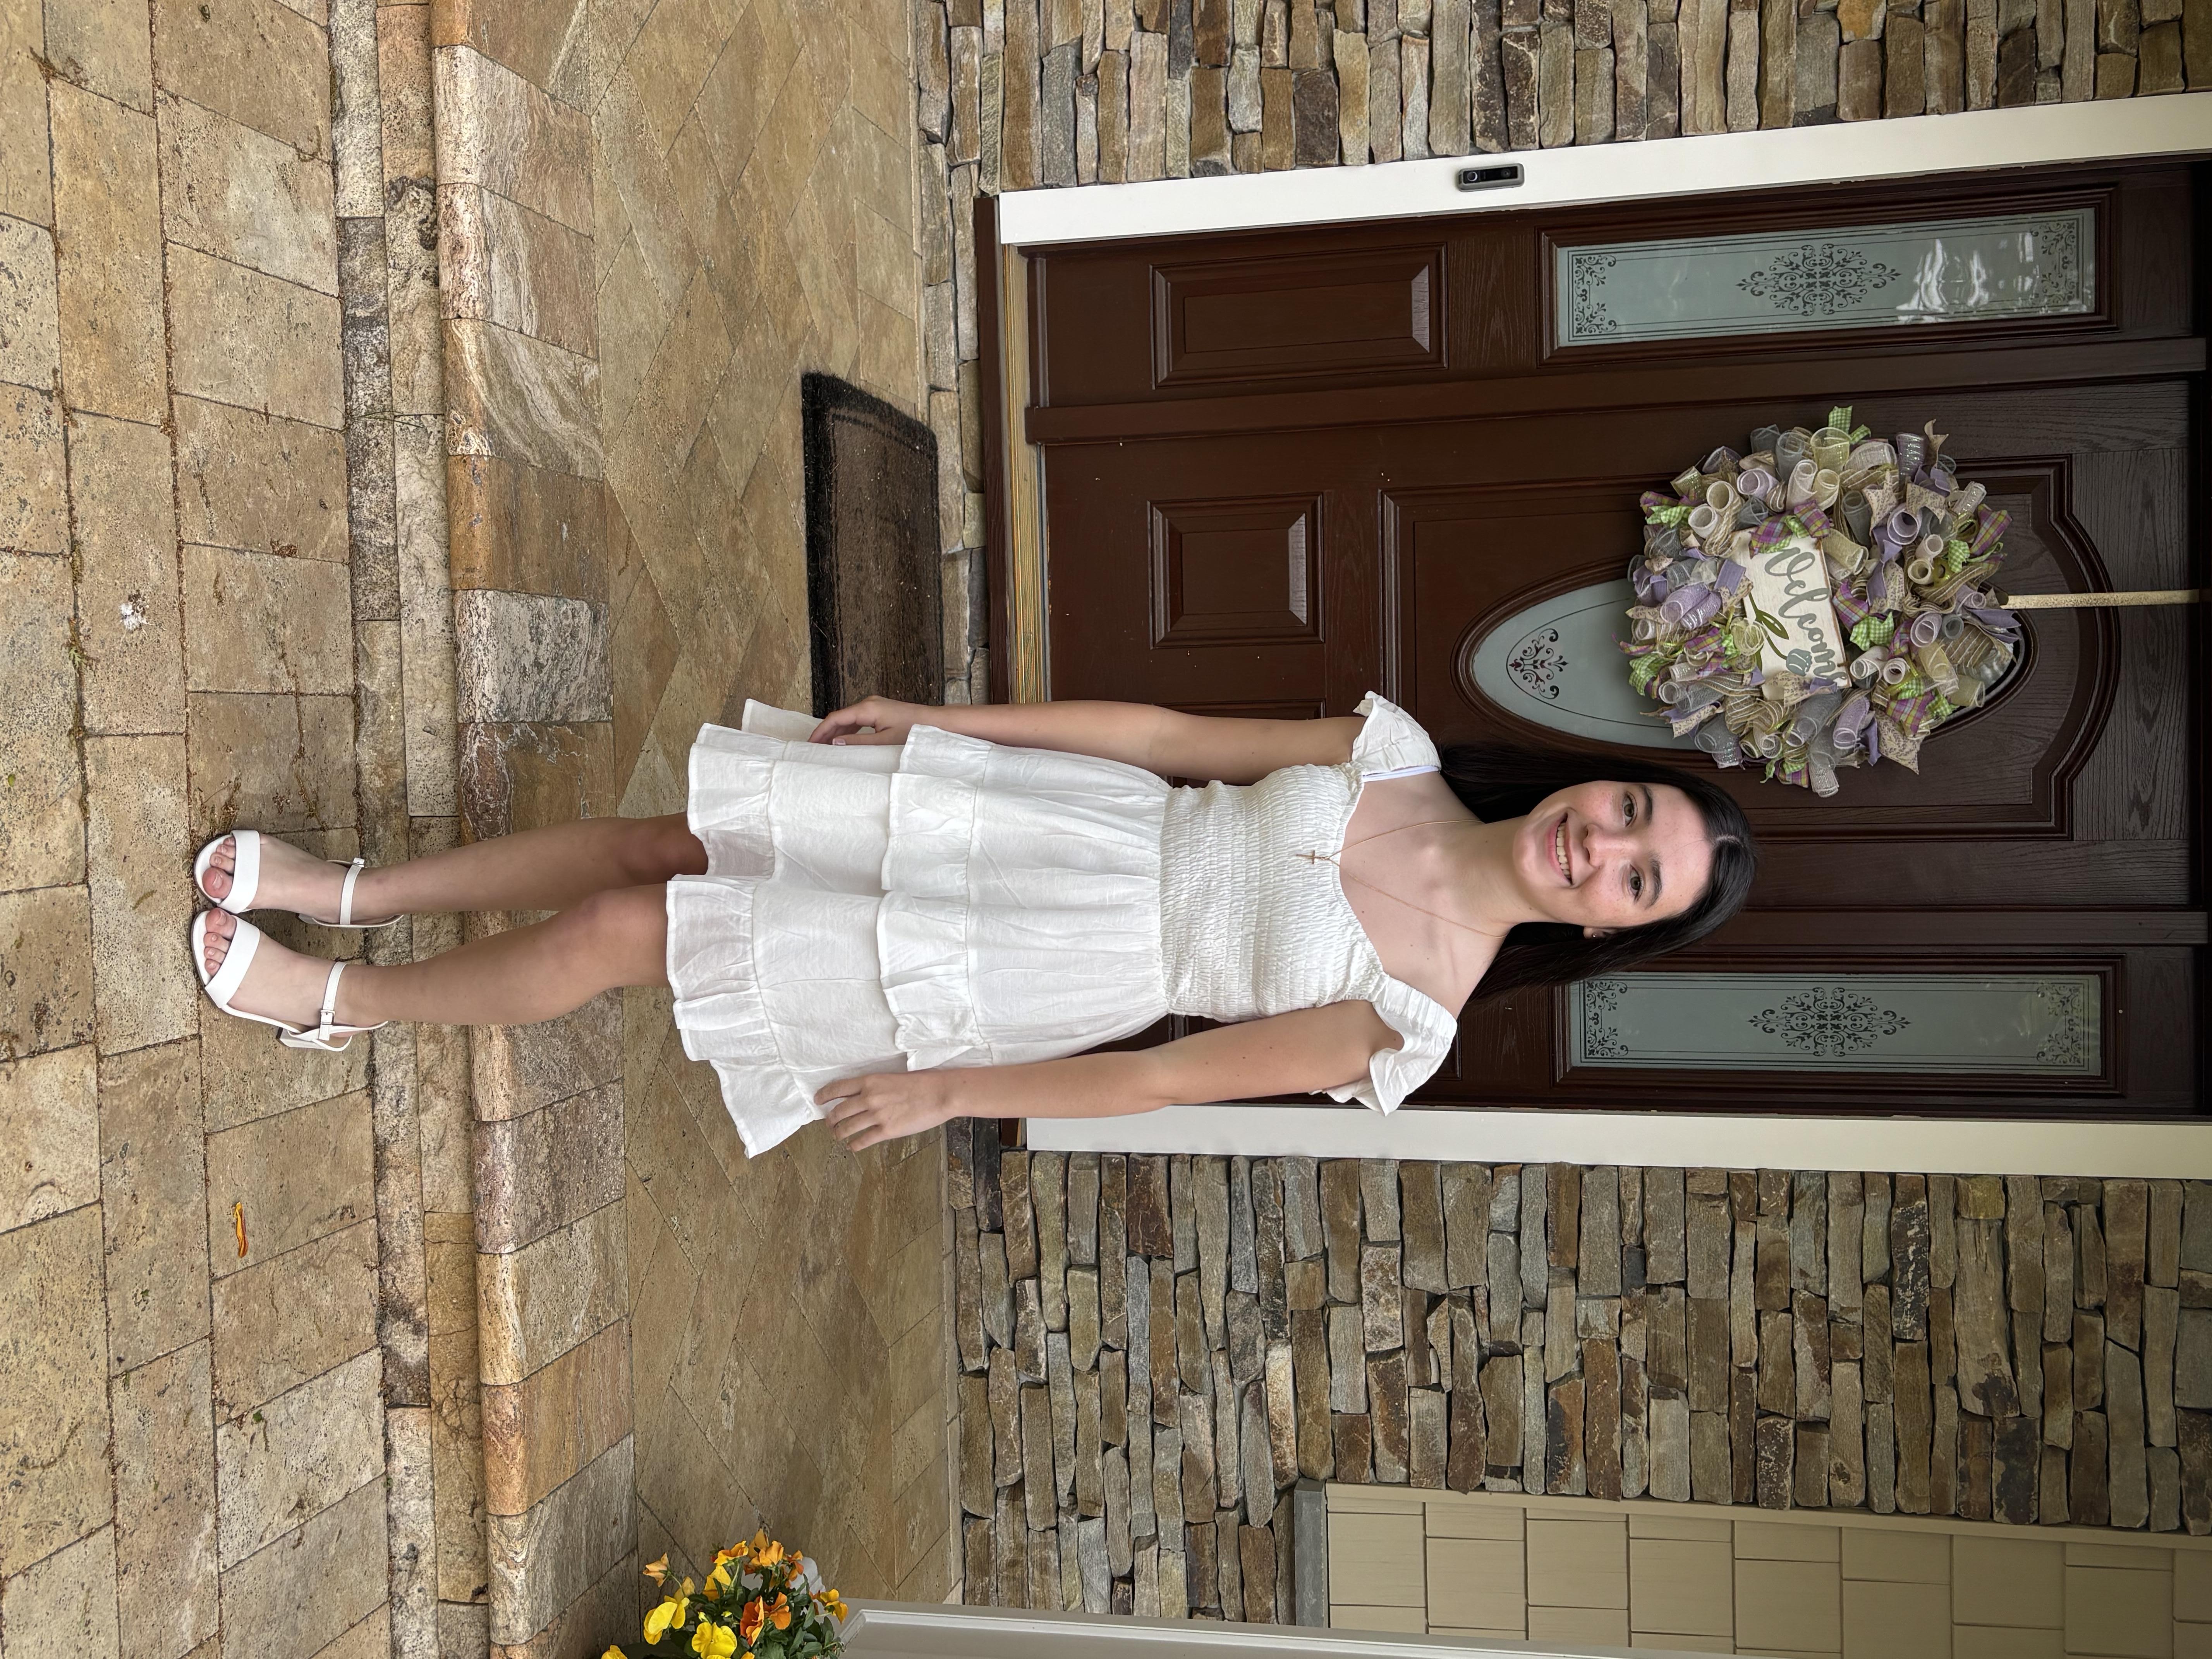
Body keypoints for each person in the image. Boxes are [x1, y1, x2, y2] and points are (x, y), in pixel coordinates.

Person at [190, 693, 1757, 1155]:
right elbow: (1162, 737)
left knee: (634, 929)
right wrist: (951, 723)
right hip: (1046, 818)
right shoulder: (1392, 755)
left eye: (1638, 878)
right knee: (678, 841)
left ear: (1612, 932)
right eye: (1632, 810)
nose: (1602, 845)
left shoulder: (1411, 1022)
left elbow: (1160, 1078)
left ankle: (337, 1005)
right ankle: (349, 892)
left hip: (1048, 961)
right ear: (1602, 780)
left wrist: (949, 1090)